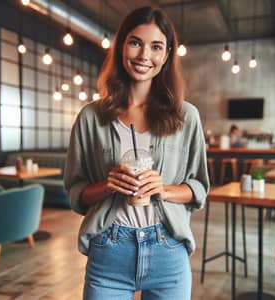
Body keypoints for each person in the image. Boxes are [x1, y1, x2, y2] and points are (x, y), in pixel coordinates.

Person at [64, 6, 209, 300]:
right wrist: (108, 185)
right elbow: (76, 193)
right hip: (109, 250)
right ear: (121, 48)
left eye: (156, 47)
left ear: (166, 55)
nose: (144, 55)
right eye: (135, 43)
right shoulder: (91, 117)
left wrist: (164, 189)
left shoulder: (186, 116)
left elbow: (199, 188)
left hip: (168, 250)